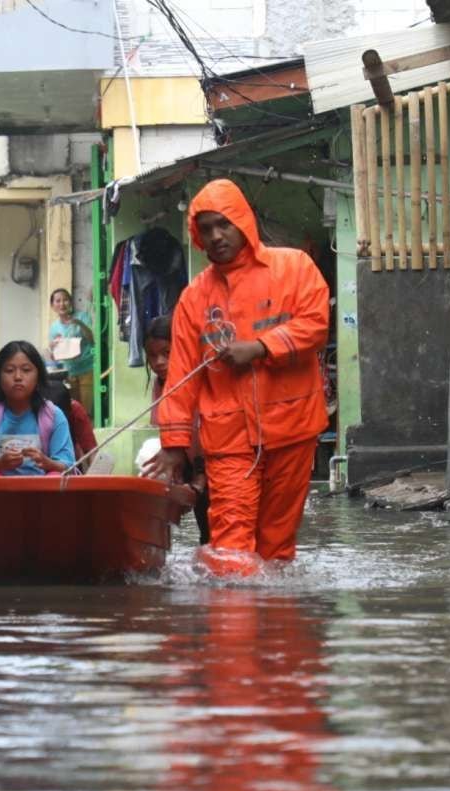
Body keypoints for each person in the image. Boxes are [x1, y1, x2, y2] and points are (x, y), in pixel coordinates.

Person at [143, 179, 329, 575]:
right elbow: (181, 377)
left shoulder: (294, 267)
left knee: (277, 546)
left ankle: (273, 614)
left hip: (292, 428)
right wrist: (174, 444)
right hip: (229, 439)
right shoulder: (194, 298)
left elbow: (316, 325)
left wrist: (260, 347)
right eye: (206, 228)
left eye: (223, 224)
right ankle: (235, 612)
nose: (215, 236)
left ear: (243, 221)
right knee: (231, 547)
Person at [0, 341, 75, 477]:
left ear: (38, 375)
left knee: (55, 477)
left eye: (26, 370)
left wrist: (47, 463)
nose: (18, 377)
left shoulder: (54, 415)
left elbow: (68, 467)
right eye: (9, 370)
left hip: (43, 488)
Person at [144, 315, 211, 544]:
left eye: (167, 353)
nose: (159, 362)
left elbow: (204, 431)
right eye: (152, 356)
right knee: (207, 533)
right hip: (191, 465)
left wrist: (200, 477)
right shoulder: (159, 384)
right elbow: (167, 434)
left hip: (213, 464)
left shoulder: (199, 379)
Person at [47, 288, 96, 409]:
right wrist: (52, 349)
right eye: (58, 301)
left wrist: (79, 323)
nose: (62, 304)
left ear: (70, 302)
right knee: (74, 409)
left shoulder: (82, 317)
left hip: (87, 369)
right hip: (69, 373)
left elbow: (92, 340)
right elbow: (54, 357)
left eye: (65, 300)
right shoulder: (54, 327)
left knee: (87, 409)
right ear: (52, 305)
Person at [42, 380, 97, 472]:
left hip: (70, 465)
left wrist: (94, 477)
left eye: (61, 417)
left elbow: (91, 451)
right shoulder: (33, 409)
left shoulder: (76, 410)